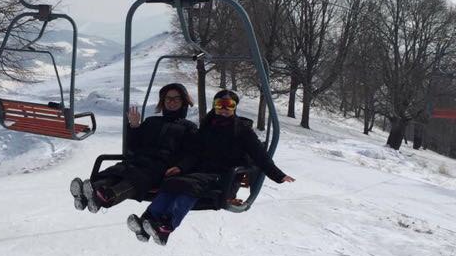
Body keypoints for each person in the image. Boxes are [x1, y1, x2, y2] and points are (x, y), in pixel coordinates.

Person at [128, 89, 295, 245]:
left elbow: (261, 156)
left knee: (188, 186)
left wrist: (279, 175)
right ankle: (147, 222)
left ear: (234, 108)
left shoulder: (242, 131)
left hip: (225, 177)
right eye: (219, 105)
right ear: (214, 107)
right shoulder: (207, 128)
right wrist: (180, 166)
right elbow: (194, 153)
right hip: (203, 173)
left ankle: (165, 227)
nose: (224, 110)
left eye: (229, 106)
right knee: (172, 182)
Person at [70, 83, 197, 224]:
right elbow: (134, 145)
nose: (171, 102)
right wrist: (135, 126)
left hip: (160, 167)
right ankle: (88, 192)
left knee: (136, 179)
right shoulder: (151, 122)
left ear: (183, 101)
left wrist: (181, 167)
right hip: (138, 161)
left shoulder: (189, 128)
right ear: (163, 101)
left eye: (176, 99)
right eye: (168, 99)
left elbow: (192, 154)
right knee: (117, 171)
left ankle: (105, 196)